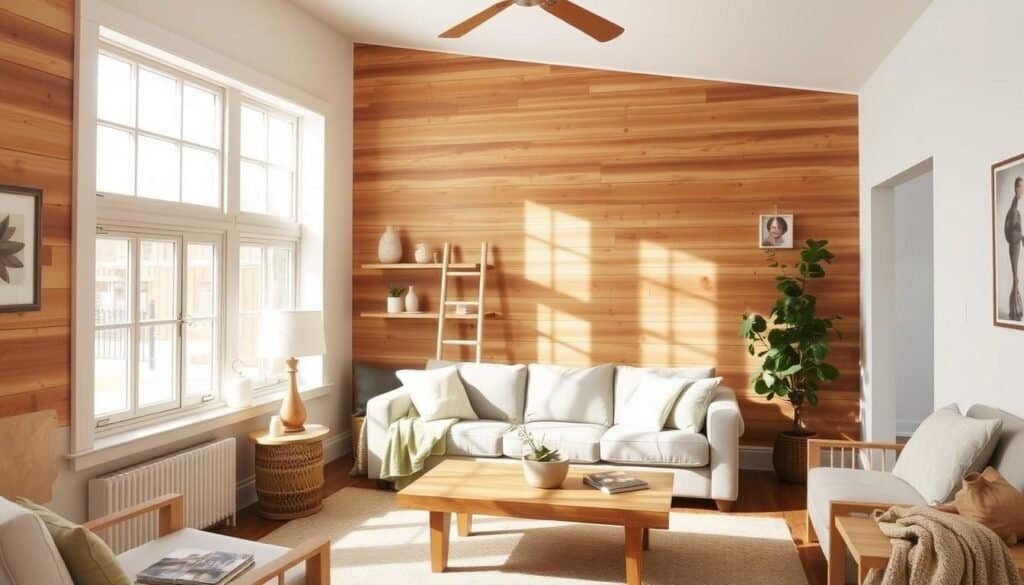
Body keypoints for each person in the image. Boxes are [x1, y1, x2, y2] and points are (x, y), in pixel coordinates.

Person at [1005, 177, 1024, 320]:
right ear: (1015, 188)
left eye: (1022, 187)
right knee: (1016, 279)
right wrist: (1015, 198)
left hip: (1017, 246)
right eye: (1019, 187)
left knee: (1016, 278)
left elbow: (1017, 230)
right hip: (1013, 247)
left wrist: (1021, 238)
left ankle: (1016, 310)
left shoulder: (1017, 213)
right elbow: (1010, 231)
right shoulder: (1013, 210)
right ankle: (1014, 311)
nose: (1022, 190)